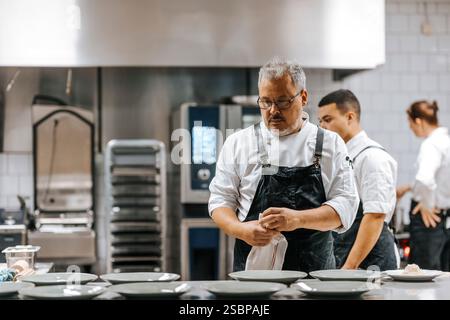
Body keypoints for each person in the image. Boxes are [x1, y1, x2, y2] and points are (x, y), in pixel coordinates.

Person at [208, 57, 359, 272]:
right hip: (255, 279)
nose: (273, 110)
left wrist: (297, 219)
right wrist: (240, 230)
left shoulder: (330, 144)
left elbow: (346, 207)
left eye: (282, 101)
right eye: (265, 102)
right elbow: (220, 201)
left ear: (303, 97)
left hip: (315, 277)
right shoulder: (238, 143)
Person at [317, 89, 399, 271]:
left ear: (350, 117)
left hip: (371, 261)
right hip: (344, 253)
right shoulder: (342, 157)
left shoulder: (372, 157)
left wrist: (349, 267)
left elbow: (375, 216)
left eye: (328, 119)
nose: (322, 127)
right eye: (320, 121)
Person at [397, 100, 450, 271]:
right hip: (444, 217)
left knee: (422, 275)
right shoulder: (446, 141)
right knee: (443, 275)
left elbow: (426, 179)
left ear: (418, 121)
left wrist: (426, 204)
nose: (410, 127)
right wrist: (410, 187)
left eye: (410, 122)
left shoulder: (431, 145)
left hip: (428, 220)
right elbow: (441, 180)